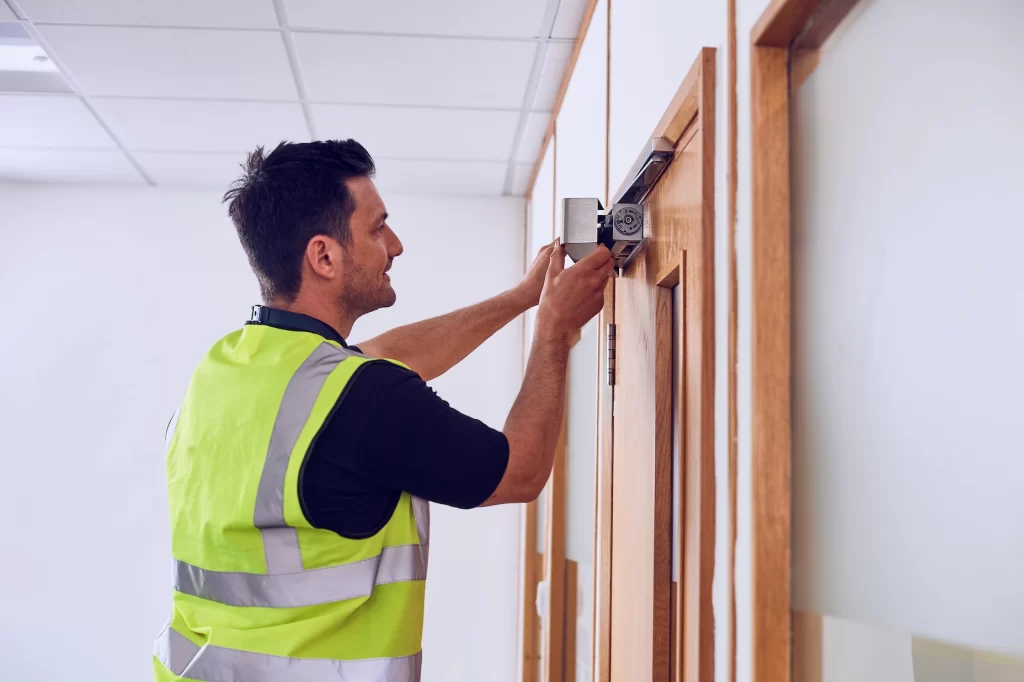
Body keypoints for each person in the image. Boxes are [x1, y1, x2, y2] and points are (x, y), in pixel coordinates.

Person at [153, 139, 613, 682]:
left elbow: (383, 355)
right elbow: (519, 471)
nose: (395, 245)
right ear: (323, 256)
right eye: (377, 228)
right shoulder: (356, 397)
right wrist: (555, 330)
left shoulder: (223, 372)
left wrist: (522, 299)